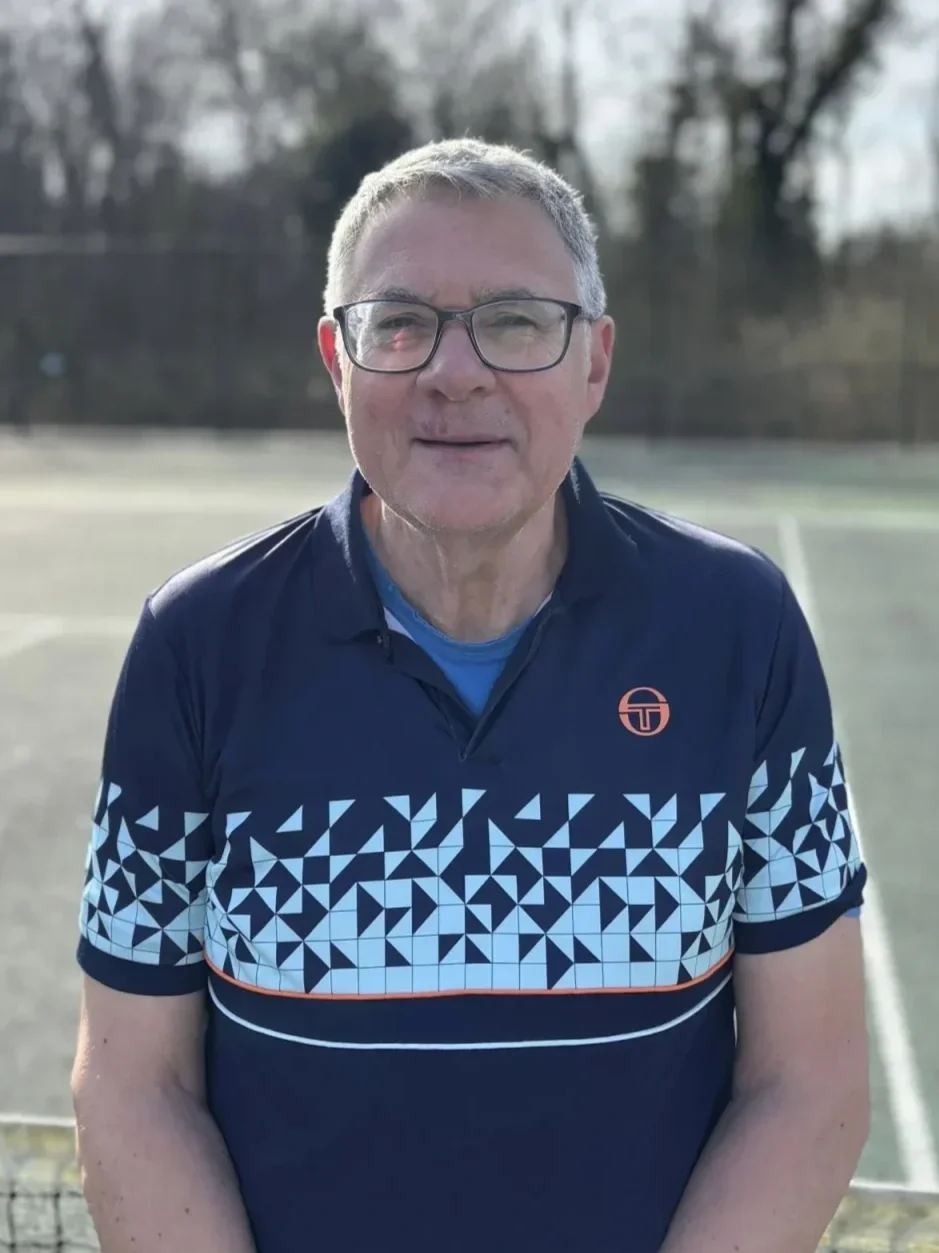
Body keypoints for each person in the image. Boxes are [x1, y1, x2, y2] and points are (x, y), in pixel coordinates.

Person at [71, 138, 870, 1253]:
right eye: (400, 322)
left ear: (593, 361)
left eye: (516, 320)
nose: (456, 370)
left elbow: (811, 1071)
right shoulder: (195, 646)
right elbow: (132, 1079)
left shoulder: (737, 628)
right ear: (337, 360)